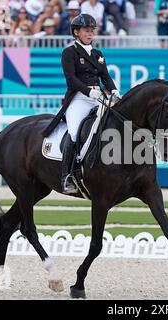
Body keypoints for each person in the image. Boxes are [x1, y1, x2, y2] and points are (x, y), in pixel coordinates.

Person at [42, 13, 121, 194]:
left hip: (97, 97)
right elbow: (71, 79)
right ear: (76, 32)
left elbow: (105, 77)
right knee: (75, 132)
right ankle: (67, 176)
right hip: (78, 98)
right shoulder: (69, 52)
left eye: (92, 30)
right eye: (86, 30)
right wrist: (88, 91)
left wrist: (114, 90)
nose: (90, 33)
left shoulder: (98, 54)